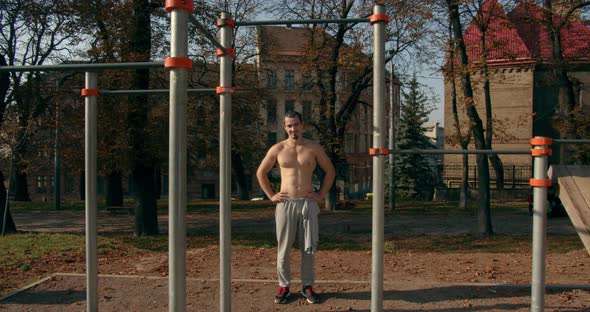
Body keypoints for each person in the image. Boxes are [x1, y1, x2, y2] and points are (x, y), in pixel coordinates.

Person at [256, 110, 336, 304]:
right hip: (285, 203)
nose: (293, 128)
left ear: (303, 125)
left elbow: (330, 171)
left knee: (308, 247)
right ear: (285, 127)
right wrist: (271, 195)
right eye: (289, 125)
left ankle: (307, 286)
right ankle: (284, 286)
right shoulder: (278, 149)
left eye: (296, 124)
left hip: (308, 203)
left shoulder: (314, 148)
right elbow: (261, 173)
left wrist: (320, 195)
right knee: (283, 247)